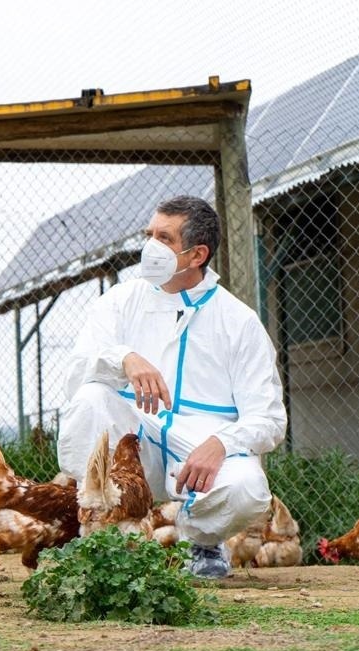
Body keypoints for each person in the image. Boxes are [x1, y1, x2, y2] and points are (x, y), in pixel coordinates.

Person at [56, 195, 286, 579]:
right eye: (149, 234)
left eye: (163, 238)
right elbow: (75, 371)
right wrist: (124, 358)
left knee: (248, 487)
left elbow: (270, 418)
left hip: (200, 448)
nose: (150, 246)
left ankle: (201, 540)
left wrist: (222, 444)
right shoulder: (119, 301)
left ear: (197, 255)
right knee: (90, 399)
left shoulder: (238, 322)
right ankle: (102, 530)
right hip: (134, 432)